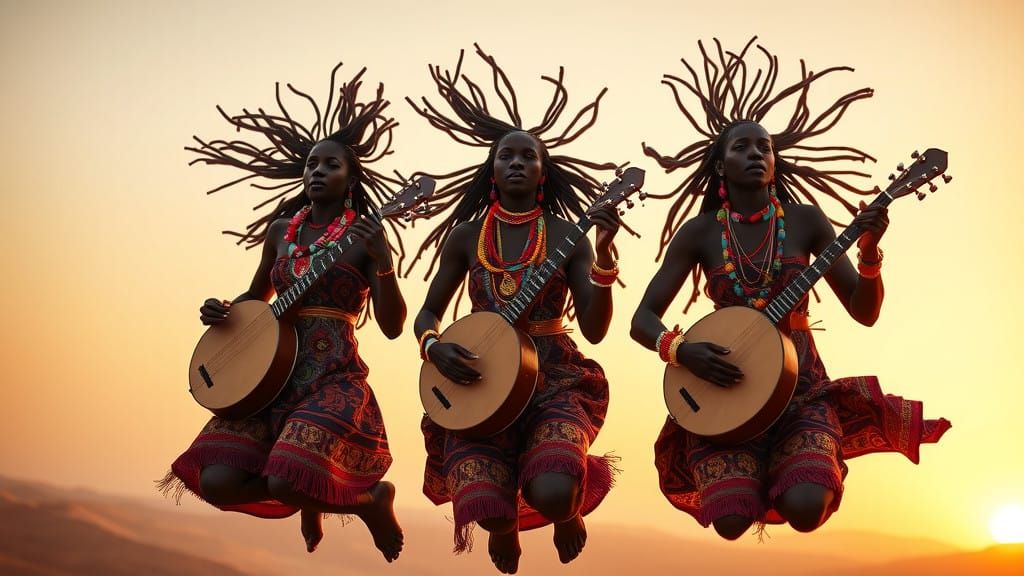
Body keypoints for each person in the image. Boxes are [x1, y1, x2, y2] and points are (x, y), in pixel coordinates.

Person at [631, 38, 950, 540]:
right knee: (732, 520)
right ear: (721, 166)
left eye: (765, 147)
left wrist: (868, 251)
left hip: (800, 385)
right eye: (742, 146)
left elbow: (865, 312)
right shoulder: (699, 231)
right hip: (721, 385)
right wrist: (684, 351)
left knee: (806, 507)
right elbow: (642, 320)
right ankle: (747, 475)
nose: (756, 153)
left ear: (776, 163)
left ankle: (791, 466)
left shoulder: (806, 222)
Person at [159, 64, 405, 562]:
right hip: (269, 376)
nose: (318, 171)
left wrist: (383, 264)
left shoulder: (363, 238)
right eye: (312, 163)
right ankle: (307, 497)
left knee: (282, 478)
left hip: (331, 375)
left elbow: (395, 326)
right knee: (220, 481)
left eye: (331, 165)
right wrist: (225, 309)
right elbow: (257, 297)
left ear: (351, 177)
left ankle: (368, 502)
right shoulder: (280, 231)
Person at [406, 45, 622, 574]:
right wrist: (435, 347)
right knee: (485, 506)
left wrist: (606, 257)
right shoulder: (463, 238)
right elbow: (428, 312)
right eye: (508, 155)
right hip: (479, 376)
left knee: (552, 490)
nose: (519, 162)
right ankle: (505, 528)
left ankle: (566, 511)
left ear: (544, 173)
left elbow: (594, 328)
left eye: (530, 156)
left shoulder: (569, 237)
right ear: (493, 171)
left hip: (554, 376)